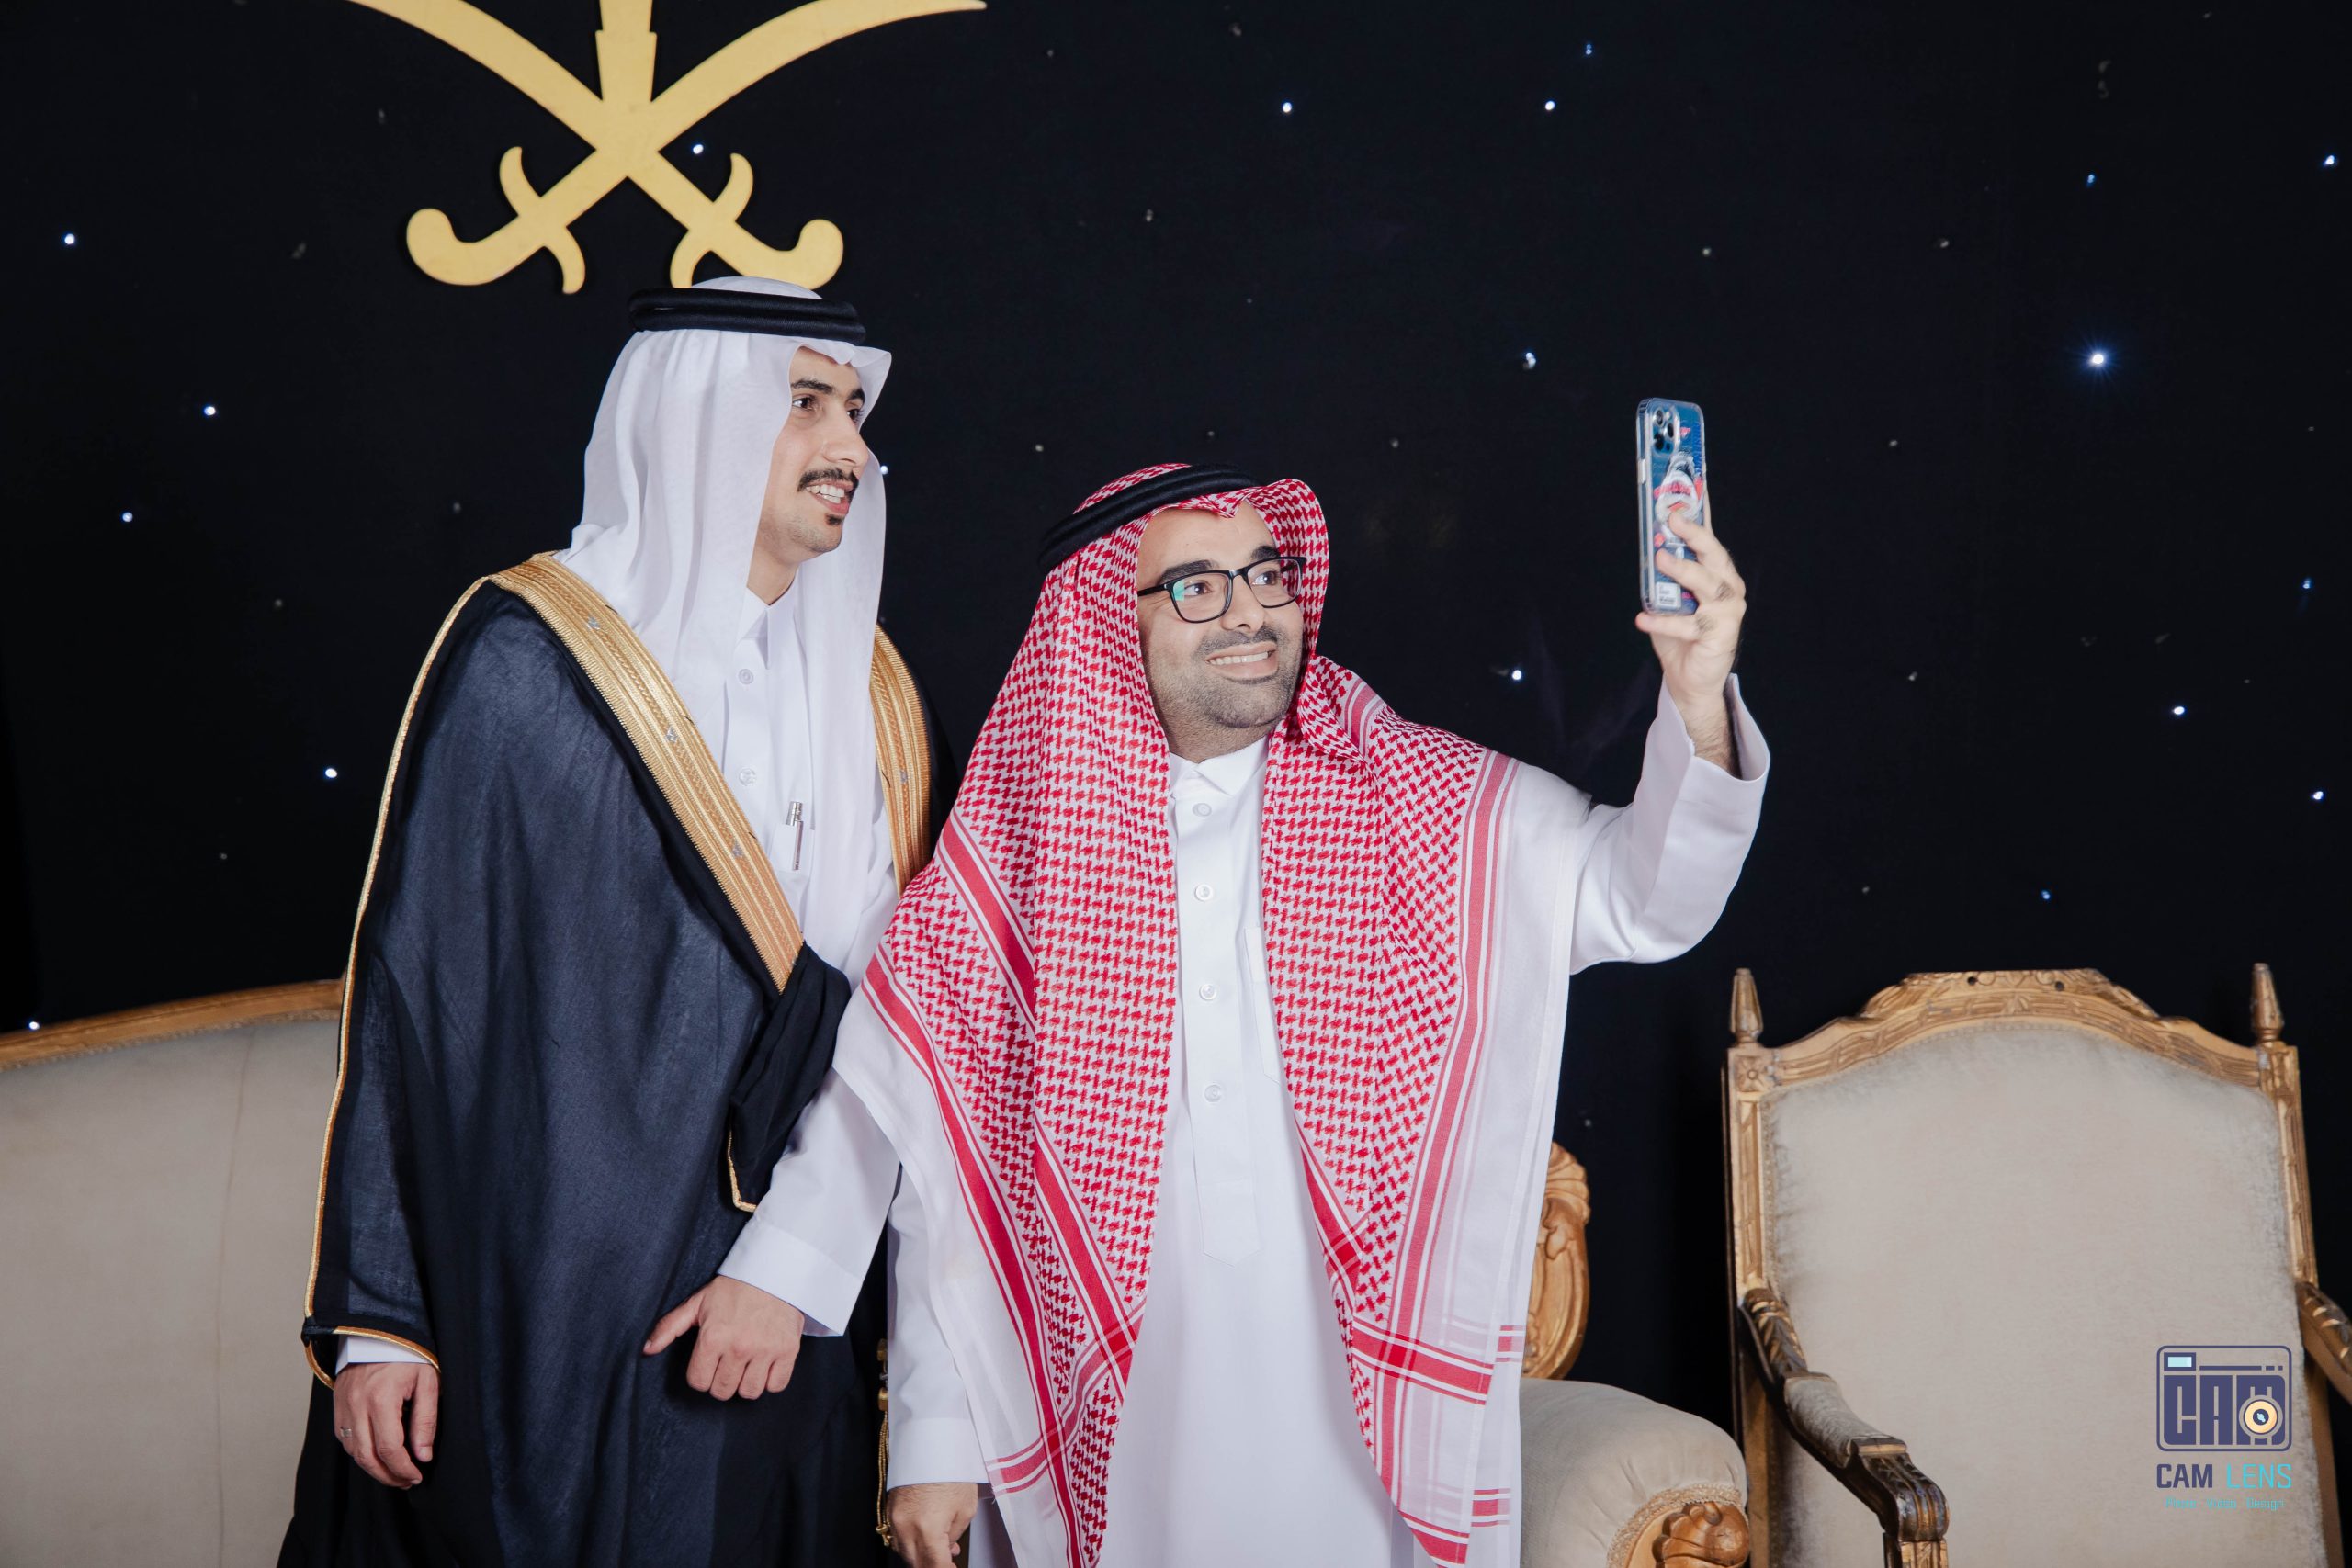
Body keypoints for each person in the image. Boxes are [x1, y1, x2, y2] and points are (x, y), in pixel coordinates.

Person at [750, 460, 1769, 1566]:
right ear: (1104, 630)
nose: (1249, 610)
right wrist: (935, 1438)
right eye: (1197, 586)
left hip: (1355, 1428)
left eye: (1266, 574)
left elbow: (1644, 901)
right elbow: (945, 1173)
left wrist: (1697, 702)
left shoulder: (1422, 804)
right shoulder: (1015, 871)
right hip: (1112, 1431)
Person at [285, 276, 942, 1567]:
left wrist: (788, 1267)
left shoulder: (868, 692)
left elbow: (895, 1027)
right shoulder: (526, 658)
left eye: (855, 412)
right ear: (698, 417)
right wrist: (382, 1315)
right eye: (806, 403)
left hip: (768, 1307)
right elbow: (419, 995)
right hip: (525, 1291)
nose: (850, 448)